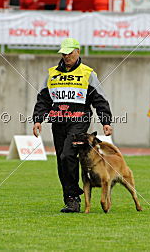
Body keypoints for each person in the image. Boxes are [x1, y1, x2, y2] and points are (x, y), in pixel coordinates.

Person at [32, 38, 113, 213]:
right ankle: (71, 200)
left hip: (79, 121)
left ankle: (75, 191)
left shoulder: (88, 74)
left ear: (78, 52)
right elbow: (43, 100)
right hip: (58, 121)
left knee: (67, 155)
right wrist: (38, 119)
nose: (66, 56)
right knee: (61, 160)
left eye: (70, 52)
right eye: (64, 53)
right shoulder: (52, 74)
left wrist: (105, 121)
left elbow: (99, 99)